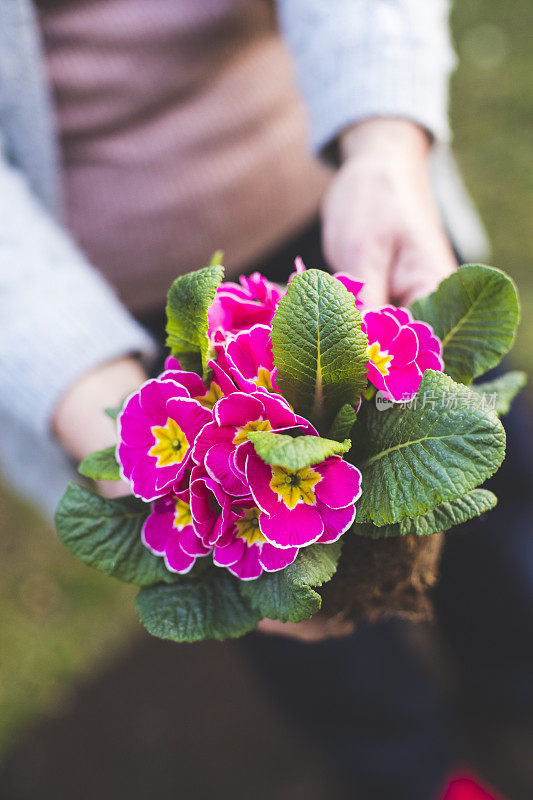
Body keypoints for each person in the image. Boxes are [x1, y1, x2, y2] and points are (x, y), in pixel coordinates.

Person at [2, 2, 511, 797]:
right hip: (114, 322)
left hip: (351, 219)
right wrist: (89, 386)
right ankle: (408, 770)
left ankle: (513, 681)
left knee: (495, 484)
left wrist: (383, 139)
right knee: (281, 612)